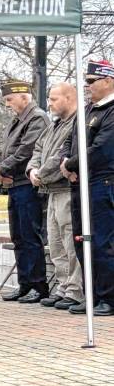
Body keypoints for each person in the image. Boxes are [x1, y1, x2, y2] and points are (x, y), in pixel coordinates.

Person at [60, 60, 114, 316]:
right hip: (79, 181)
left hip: (102, 182)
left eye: (91, 82)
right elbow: (70, 140)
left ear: (108, 80)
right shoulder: (87, 110)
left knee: (102, 241)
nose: (87, 87)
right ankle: (91, 294)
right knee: (81, 239)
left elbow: (102, 149)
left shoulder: (112, 110)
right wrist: (65, 163)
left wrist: (71, 164)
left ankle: (109, 297)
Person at [26, 83, 84, 310]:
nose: (49, 103)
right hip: (51, 191)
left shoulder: (77, 122)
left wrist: (41, 174)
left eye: (54, 98)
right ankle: (62, 286)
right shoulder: (53, 126)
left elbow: (61, 155)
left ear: (69, 98)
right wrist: (32, 169)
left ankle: (75, 290)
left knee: (70, 243)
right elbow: (38, 150)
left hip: (67, 190)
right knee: (56, 243)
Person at [0, 80, 50, 303]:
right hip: (15, 184)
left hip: (27, 183)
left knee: (30, 235)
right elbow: (4, 149)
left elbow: (26, 151)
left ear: (24, 97)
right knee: (18, 235)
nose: (7, 104)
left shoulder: (37, 118)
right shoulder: (17, 120)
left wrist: (2, 169)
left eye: (10, 100)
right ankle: (25, 284)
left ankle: (38, 285)